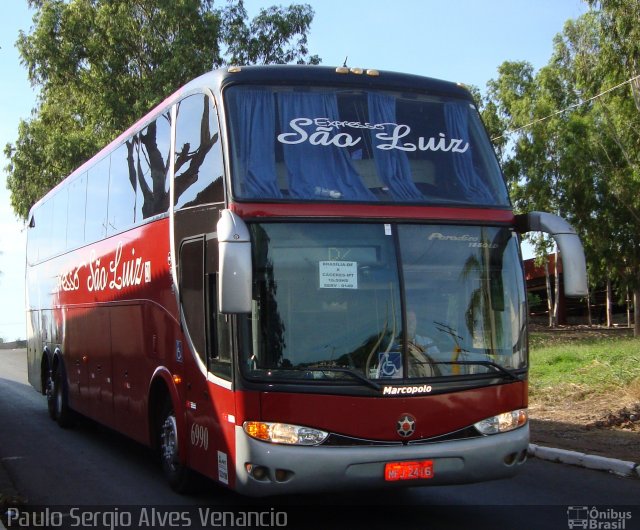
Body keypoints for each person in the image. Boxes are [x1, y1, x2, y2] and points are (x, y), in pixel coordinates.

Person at [405, 310, 442, 377]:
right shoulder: (393, 344)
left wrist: (424, 354)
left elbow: (439, 362)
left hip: (426, 379)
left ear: (416, 323)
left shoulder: (427, 342)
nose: (410, 323)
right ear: (402, 322)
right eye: (407, 320)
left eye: (413, 320)